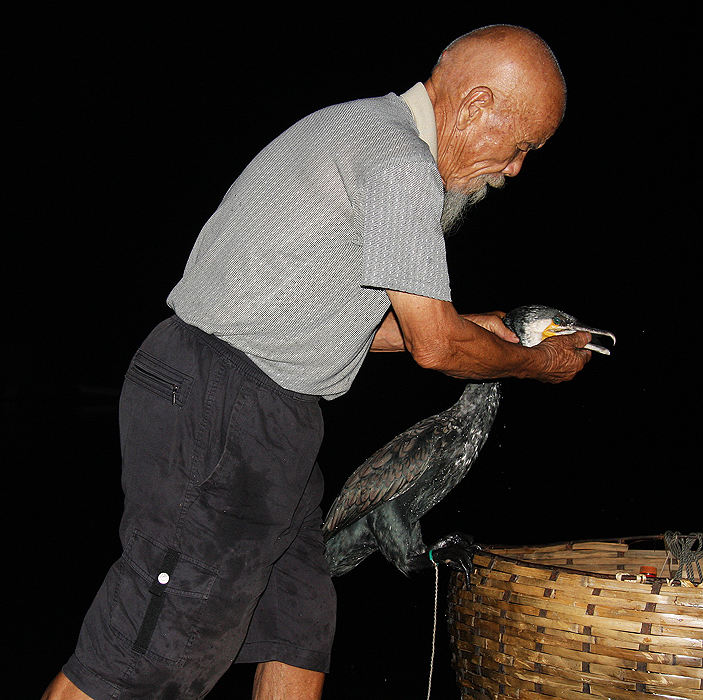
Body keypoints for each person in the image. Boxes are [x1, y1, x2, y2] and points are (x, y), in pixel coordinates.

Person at [43, 24, 593, 700]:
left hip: (256, 408)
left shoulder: (365, 129)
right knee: (151, 651)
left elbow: (335, 322)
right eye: (519, 147)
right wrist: (536, 366)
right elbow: (434, 346)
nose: (512, 170)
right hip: (227, 410)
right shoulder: (400, 165)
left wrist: (484, 329)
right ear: (478, 104)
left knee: (296, 625)